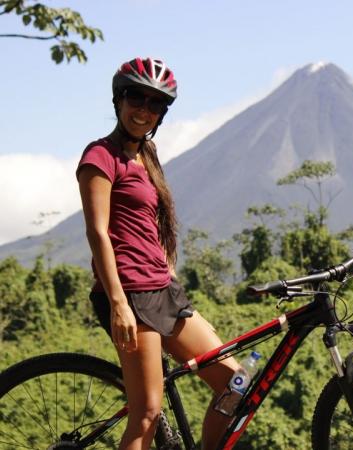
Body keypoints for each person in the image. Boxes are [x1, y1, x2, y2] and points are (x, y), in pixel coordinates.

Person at [77, 57, 238, 450]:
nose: (144, 110)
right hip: (129, 294)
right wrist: (118, 303)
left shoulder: (146, 157)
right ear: (119, 99)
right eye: (136, 97)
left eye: (155, 104)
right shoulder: (100, 157)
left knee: (236, 386)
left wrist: (166, 269)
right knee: (146, 411)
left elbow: (156, 223)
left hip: (163, 291)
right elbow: (97, 232)